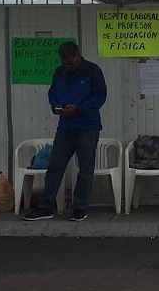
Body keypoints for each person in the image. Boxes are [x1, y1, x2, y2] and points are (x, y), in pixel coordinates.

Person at [23, 41, 107, 222]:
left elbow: (100, 96)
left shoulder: (92, 71)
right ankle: (45, 207)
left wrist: (78, 108)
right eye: (64, 62)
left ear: (78, 56)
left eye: (70, 62)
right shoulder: (59, 72)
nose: (67, 66)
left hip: (87, 127)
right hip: (65, 128)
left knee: (85, 169)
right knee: (54, 167)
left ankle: (80, 208)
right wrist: (56, 107)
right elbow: (52, 93)